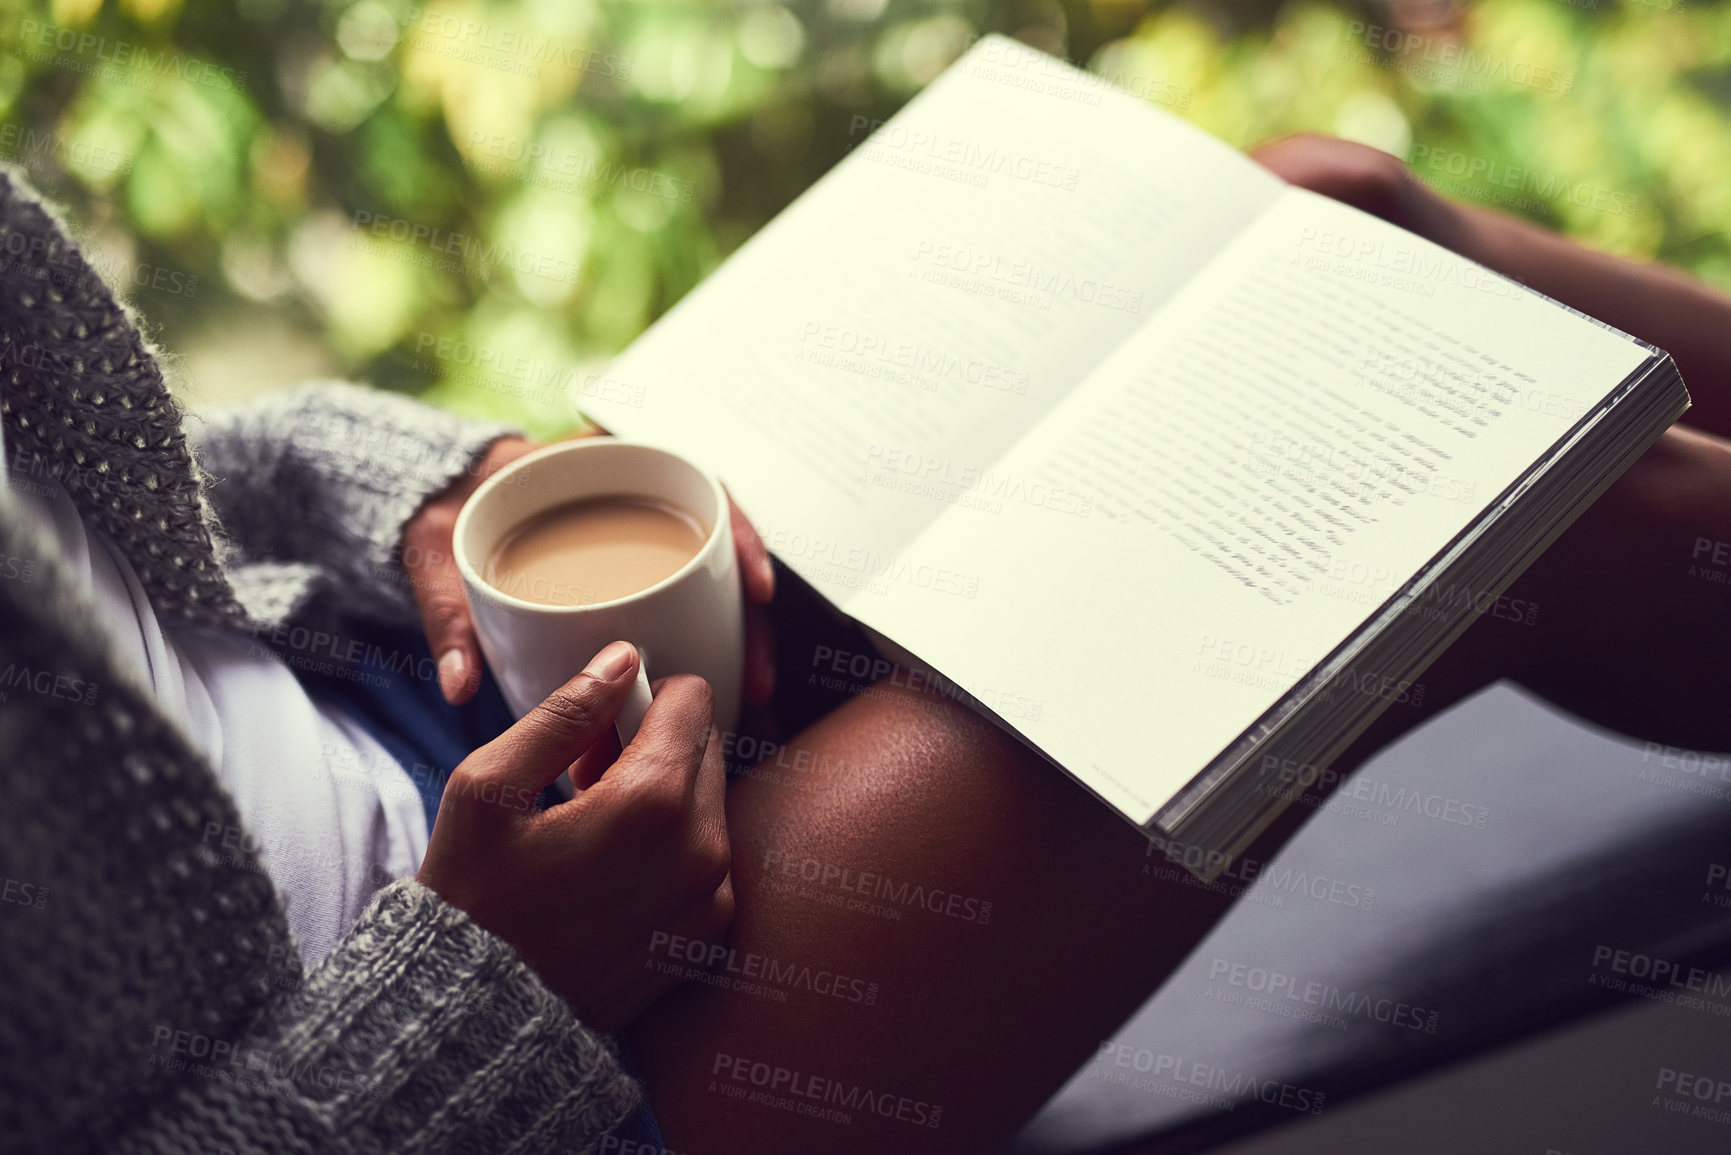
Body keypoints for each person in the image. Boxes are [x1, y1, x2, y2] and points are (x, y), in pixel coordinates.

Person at [2, 123, 1729, 1155]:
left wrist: (410, 490)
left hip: (433, 680)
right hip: (481, 1054)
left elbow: (129, 506)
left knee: (1320, 212)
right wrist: (488, 983)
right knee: (1474, 497)